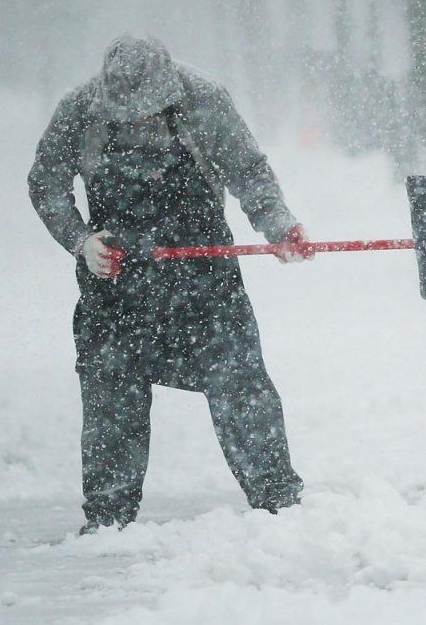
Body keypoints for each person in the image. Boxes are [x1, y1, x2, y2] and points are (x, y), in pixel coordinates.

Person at [28, 35, 312, 533]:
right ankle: (109, 518)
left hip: (204, 284)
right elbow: (46, 184)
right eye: (127, 120)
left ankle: (278, 504)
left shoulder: (205, 100)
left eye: (150, 117)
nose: (139, 127)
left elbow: (248, 170)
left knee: (240, 384)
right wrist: (81, 240)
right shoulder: (78, 110)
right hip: (115, 286)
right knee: (111, 397)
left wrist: (278, 224)